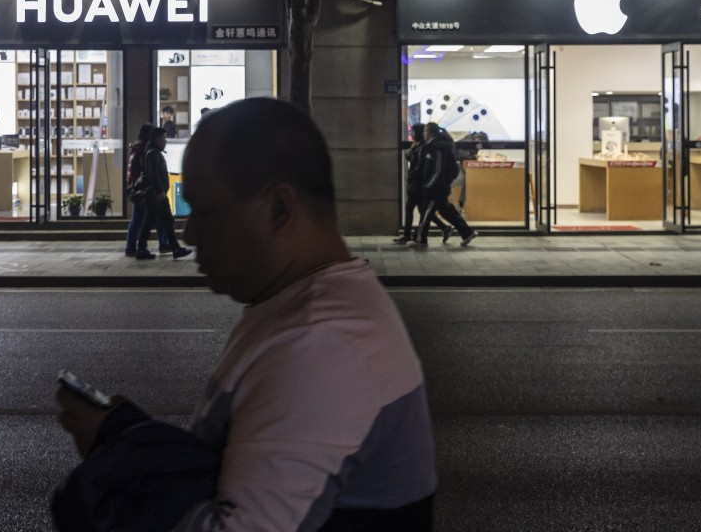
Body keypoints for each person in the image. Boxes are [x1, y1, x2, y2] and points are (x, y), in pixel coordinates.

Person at [56, 97, 437, 531]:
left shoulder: (321, 345)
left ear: (278, 209)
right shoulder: (297, 305)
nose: (190, 233)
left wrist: (114, 477)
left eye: (206, 211)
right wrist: (129, 436)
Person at [413, 122, 477, 248]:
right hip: (439, 185)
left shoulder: (437, 148)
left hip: (435, 187)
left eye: (425, 131)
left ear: (430, 133)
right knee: (446, 210)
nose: (423, 134)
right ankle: (467, 232)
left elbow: (438, 169)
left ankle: (420, 239)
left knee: (426, 212)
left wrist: (429, 184)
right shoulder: (438, 146)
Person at [134, 127, 192, 261]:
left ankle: (171, 248)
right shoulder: (153, 154)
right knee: (161, 221)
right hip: (156, 195)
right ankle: (170, 248)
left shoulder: (153, 152)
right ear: (157, 139)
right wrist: (160, 191)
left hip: (156, 195)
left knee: (163, 221)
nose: (165, 141)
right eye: (163, 138)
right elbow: (153, 175)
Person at [394, 122, 451, 245]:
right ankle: (444, 228)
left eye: (414, 132)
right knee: (422, 211)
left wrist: (410, 157)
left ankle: (408, 235)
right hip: (419, 184)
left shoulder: (422, 147)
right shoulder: (419, 146)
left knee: (411, 209)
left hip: (418, 185)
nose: (412, 134)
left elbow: (419, 166)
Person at [123, 124, 171, 257]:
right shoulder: (146, 150)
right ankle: (161, 244)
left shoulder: (137, 148)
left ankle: (131, 247)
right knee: (157, 218)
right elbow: (150, 172)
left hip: (139, 189)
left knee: (139, 220)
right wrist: (157, 188)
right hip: (145, 190)